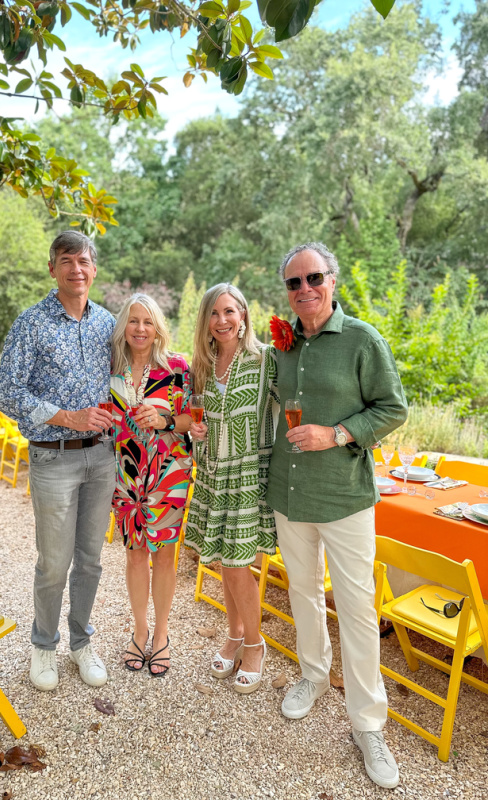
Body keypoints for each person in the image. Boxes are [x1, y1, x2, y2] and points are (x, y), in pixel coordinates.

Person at [267, 242, 408, 789]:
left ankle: (370, 725)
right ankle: (313, 676)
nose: (304, 290)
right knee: (301, 592)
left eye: (314, 279)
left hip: (345, 496)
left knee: (356, 609)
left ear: (333, 281)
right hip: (291, 491)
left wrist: (338, 433)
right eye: (294, 283)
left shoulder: (361, 339)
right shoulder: (281, 344)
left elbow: (392, 407)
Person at [0, 230, 116, 692]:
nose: (76, 269)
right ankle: (43, 645)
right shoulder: (31, 324)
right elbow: (8, 393)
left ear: (93, 268)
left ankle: (82, 642)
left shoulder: (108, 323)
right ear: (53, 268)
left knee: (90, 560)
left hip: (102, 459)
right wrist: (67, 417)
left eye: (83, 261)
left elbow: (134, 371)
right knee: (53, 562)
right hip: (53, 459)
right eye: (67, 261)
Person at [184, 284, 278, 694]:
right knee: (224, 560)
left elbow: (297, 401)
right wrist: (195, 428)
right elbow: (192, 415)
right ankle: (235, 634)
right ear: (206, 321)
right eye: (214, 313)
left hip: (245, 475)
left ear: (243, 315)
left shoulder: (265, 360)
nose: (222, 320)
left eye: (229, 312)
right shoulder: (201, 366)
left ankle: (255, 645)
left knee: (239, 564)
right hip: (211, 474)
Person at [110, 294, 193, 676]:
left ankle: (161, 634)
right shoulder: (111, 368)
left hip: (168, 471)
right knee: (134, 554)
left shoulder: (176, 367)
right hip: (126, 474)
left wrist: (163, 421)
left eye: (148, 321)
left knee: (164, 554)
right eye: (133, 321)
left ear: (158, 326)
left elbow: (192, 420)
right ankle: (139, 629)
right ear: (123, 327)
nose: (140, 329)